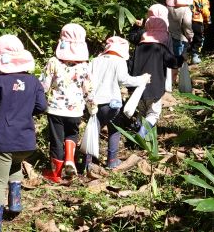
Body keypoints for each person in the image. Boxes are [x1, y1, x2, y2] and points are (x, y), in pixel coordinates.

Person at [0, 49, 47, 232]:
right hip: (26, 139)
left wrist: (1, 117)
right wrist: (25, 114)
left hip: (4, 138)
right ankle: (15, 204)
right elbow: (42, 106)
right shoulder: (34, 82)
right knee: (16, 164)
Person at [41, 24, 94, 182]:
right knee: (72, 133)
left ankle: (56, 173)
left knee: (56, 139)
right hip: (76, 109)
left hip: (56, 108)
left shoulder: (53, 62)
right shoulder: (85, 66)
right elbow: (88, 90)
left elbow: (43, 85)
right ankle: (70, 159)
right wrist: (93, 107)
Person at [90, 36, 149, 169]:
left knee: (93, 130)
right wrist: (141, 79)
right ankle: (112, 161)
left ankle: (88, 161)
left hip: (95, 102)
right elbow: (124, 80)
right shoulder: (119, 61)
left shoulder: (95, 60)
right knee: (115, 130)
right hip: (112, 103)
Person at [131, 16, 179, 137]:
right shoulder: (161, 48)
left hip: (138, 87)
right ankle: (142, 134)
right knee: (153, 114)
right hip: (155, 88)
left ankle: (137, 128)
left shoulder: (138, 47)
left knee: (141, 111)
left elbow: (130, 65)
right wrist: (182, 58)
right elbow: (173, 62)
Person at [166, 0, 194, 69]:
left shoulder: (168, 5)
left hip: (167, 36)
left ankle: (170, 79)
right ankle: (179, 79)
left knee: (169, 61)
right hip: (180, 38)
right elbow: (187, 25)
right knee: (180, 61)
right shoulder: (186, 9)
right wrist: (190, 36)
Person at [189, 0, 212, 64]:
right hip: (198, 20)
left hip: (185, 19)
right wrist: (208, 21)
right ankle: (195, 56)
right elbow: (205, 11)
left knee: (188, 38)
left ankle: (185, 55)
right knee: (198, 38)